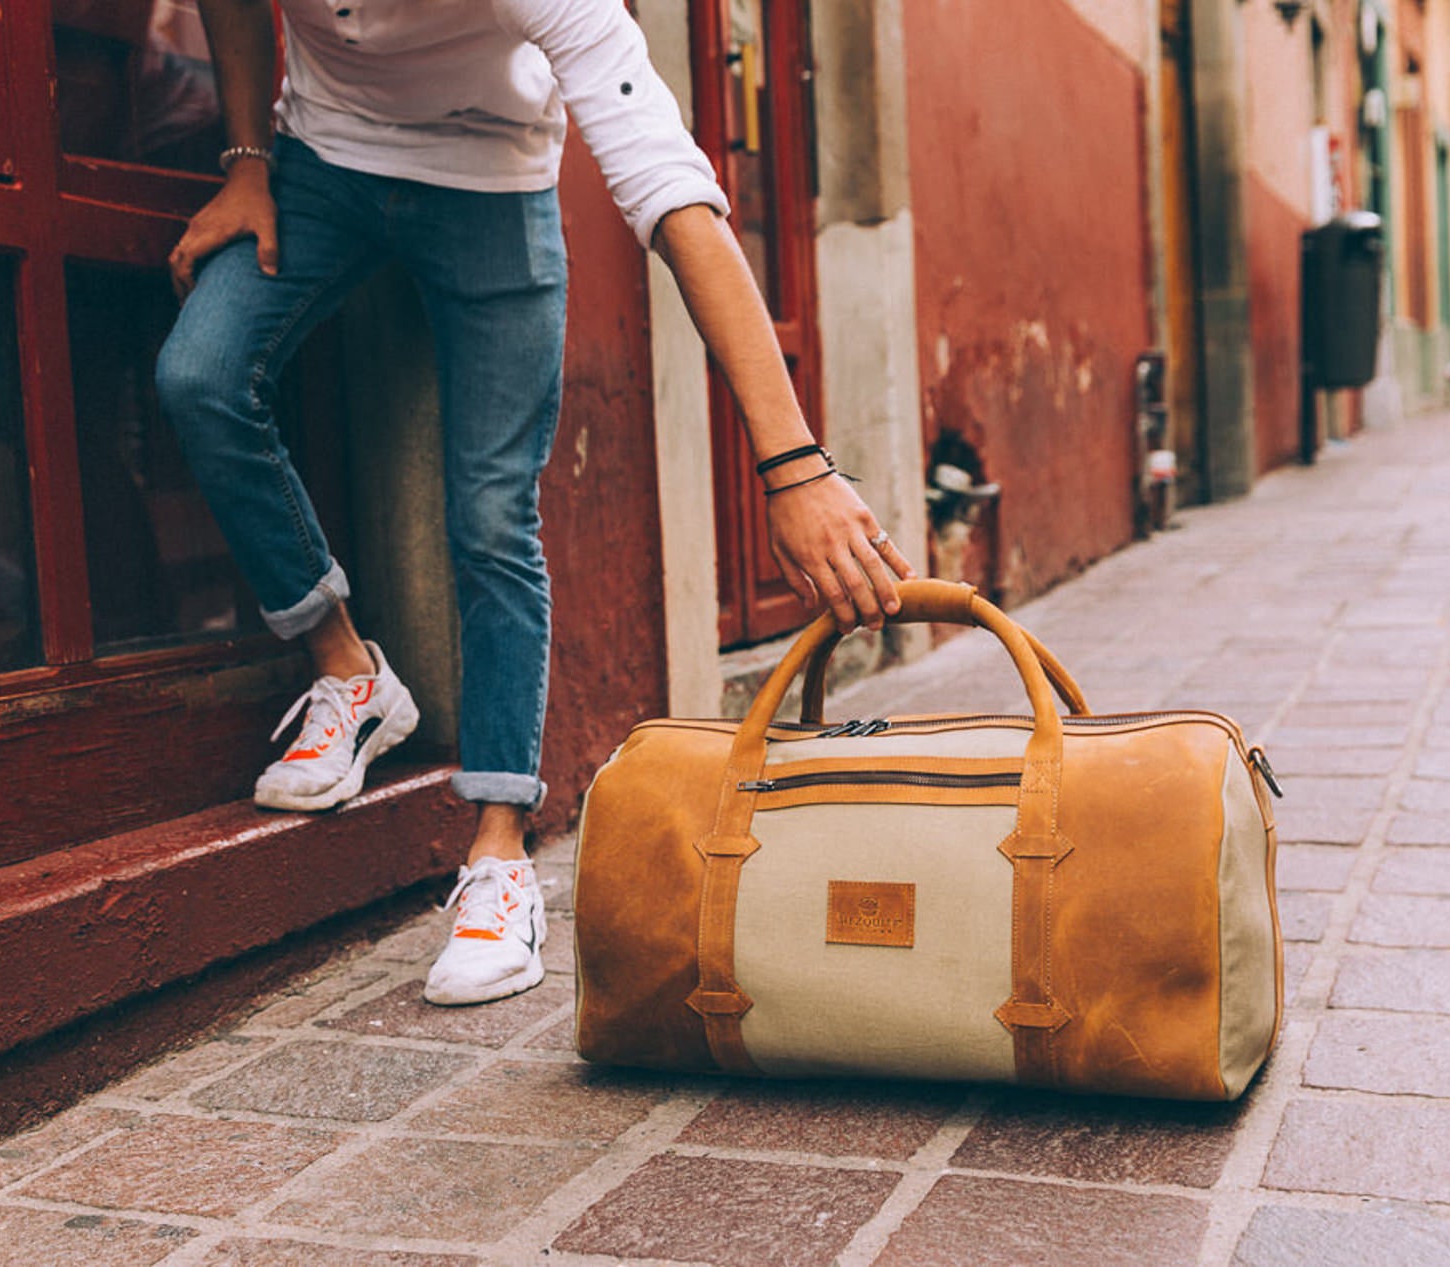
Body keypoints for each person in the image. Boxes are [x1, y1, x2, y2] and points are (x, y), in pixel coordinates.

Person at [156, 0, 915, 1007]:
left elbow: (672, 192)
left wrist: (795, 467)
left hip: (492, 179)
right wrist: (247, 161)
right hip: (322, 162)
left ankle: (500, 854)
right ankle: (347, 667)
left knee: (489, 512)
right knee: (199, 378)